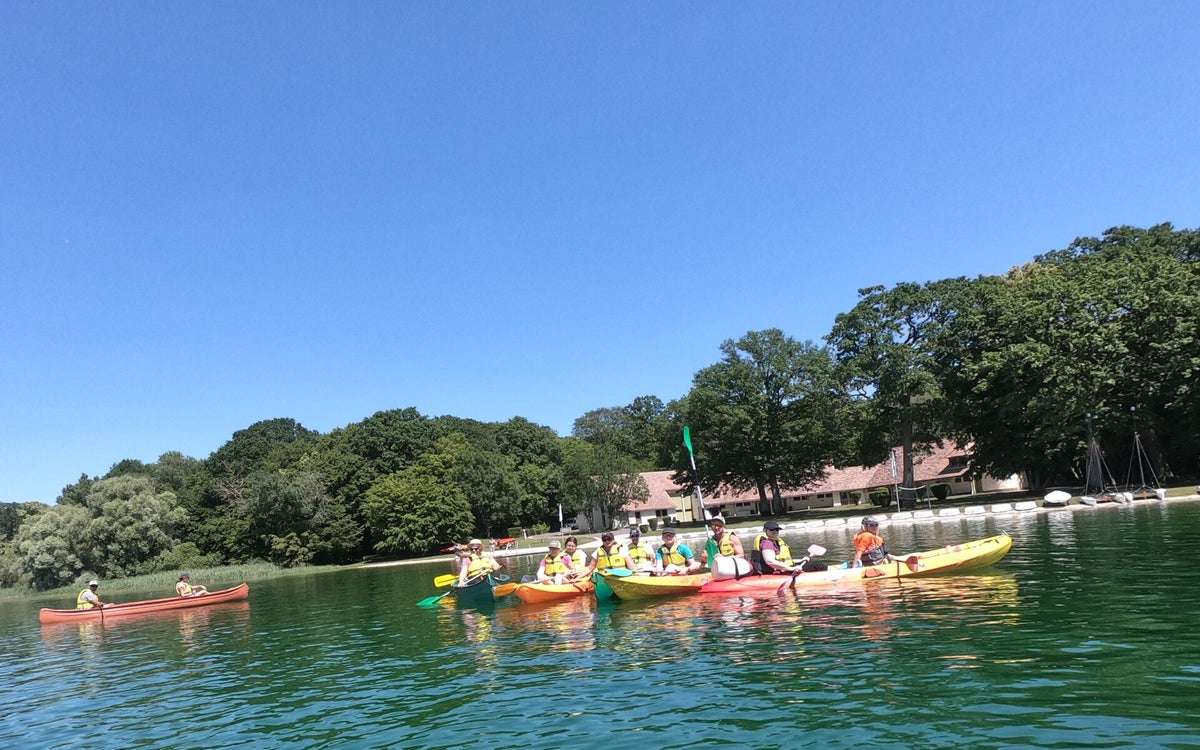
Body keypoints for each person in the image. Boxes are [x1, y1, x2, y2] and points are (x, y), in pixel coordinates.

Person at [751, 520, 827, 574]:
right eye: (772, 530)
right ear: (765, 530)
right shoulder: (767, 543)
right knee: (818, 566)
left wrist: (800, 560)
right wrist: (792, 568)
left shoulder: (776, 541)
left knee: (817, 565)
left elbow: (783, 560)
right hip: (779, 571)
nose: (775, 532)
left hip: (784, 568)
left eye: (777, 529)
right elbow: (770, 562)